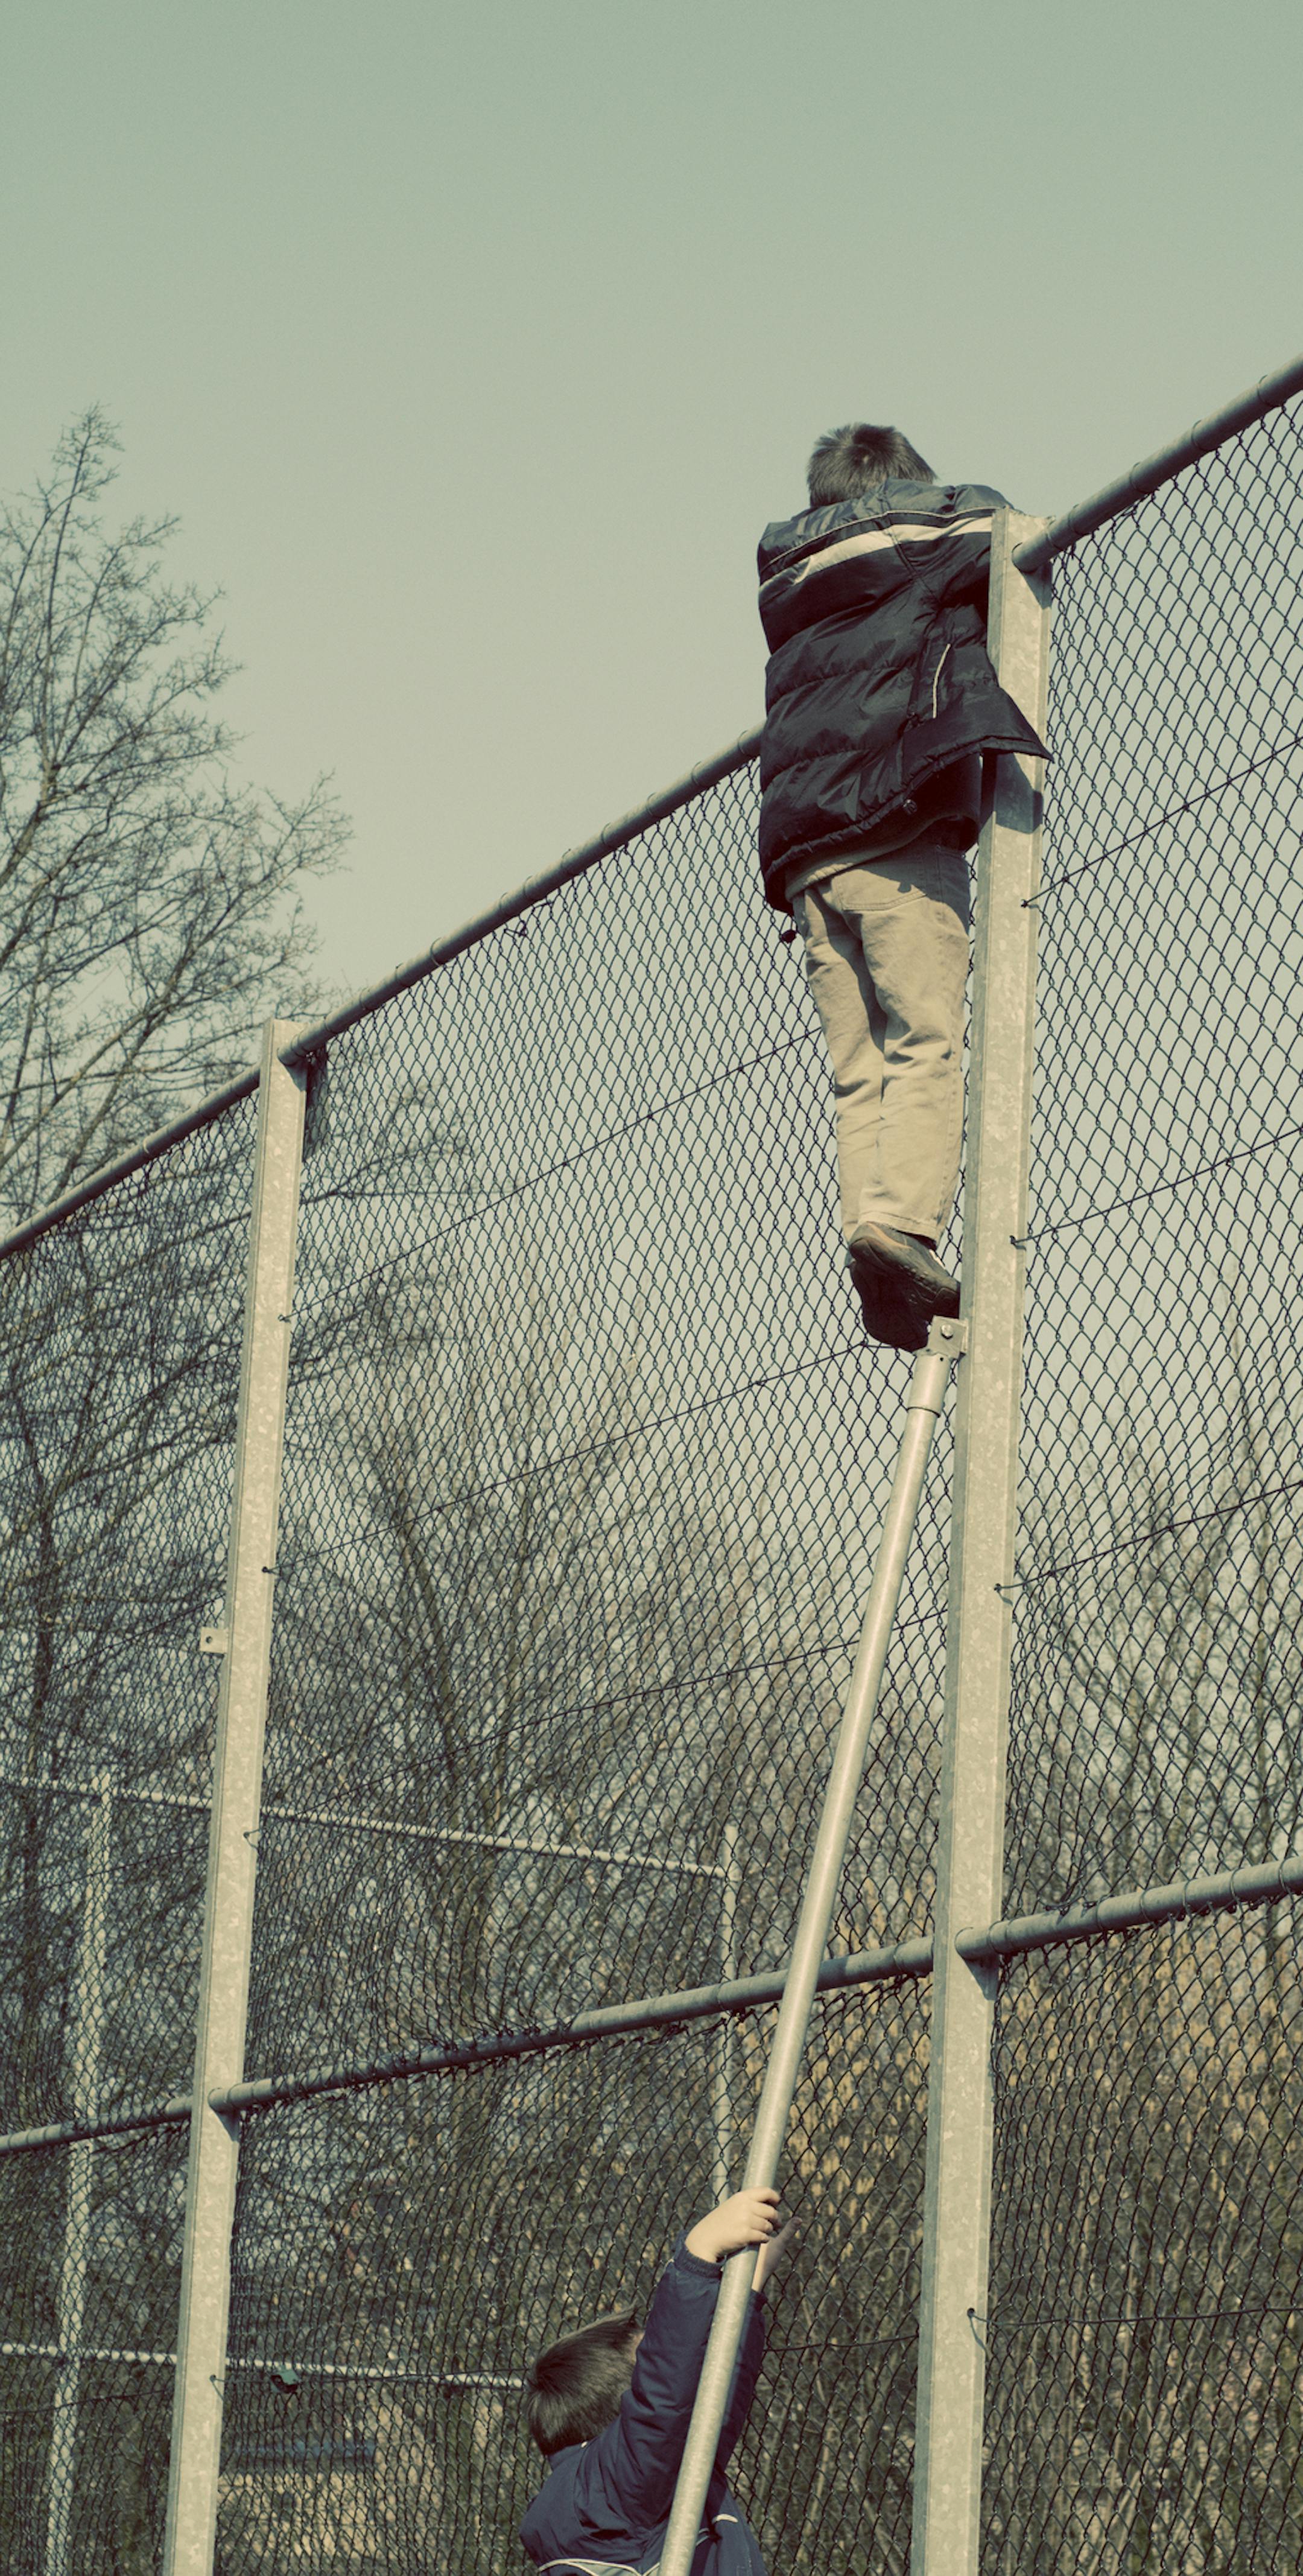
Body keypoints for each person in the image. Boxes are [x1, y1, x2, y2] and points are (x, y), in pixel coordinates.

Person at [757, 423, 1048, 1350]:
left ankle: (874, 1243)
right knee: (926, 1038)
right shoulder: (910, 539)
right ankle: (904, 1228)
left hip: (806, 857)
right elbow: (1003, 523)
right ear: (897, 490)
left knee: (860, 1071)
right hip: (893, 825)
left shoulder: (784, 577)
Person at [519, 2186, 796, 2576]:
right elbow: (663, 2398)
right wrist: (697, 2257)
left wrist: (744, 2300)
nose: (674, 2368)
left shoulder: (634, 2488)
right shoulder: (611, 2490)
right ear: (626, 2406)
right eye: (646, 2359)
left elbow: (717, 2406)